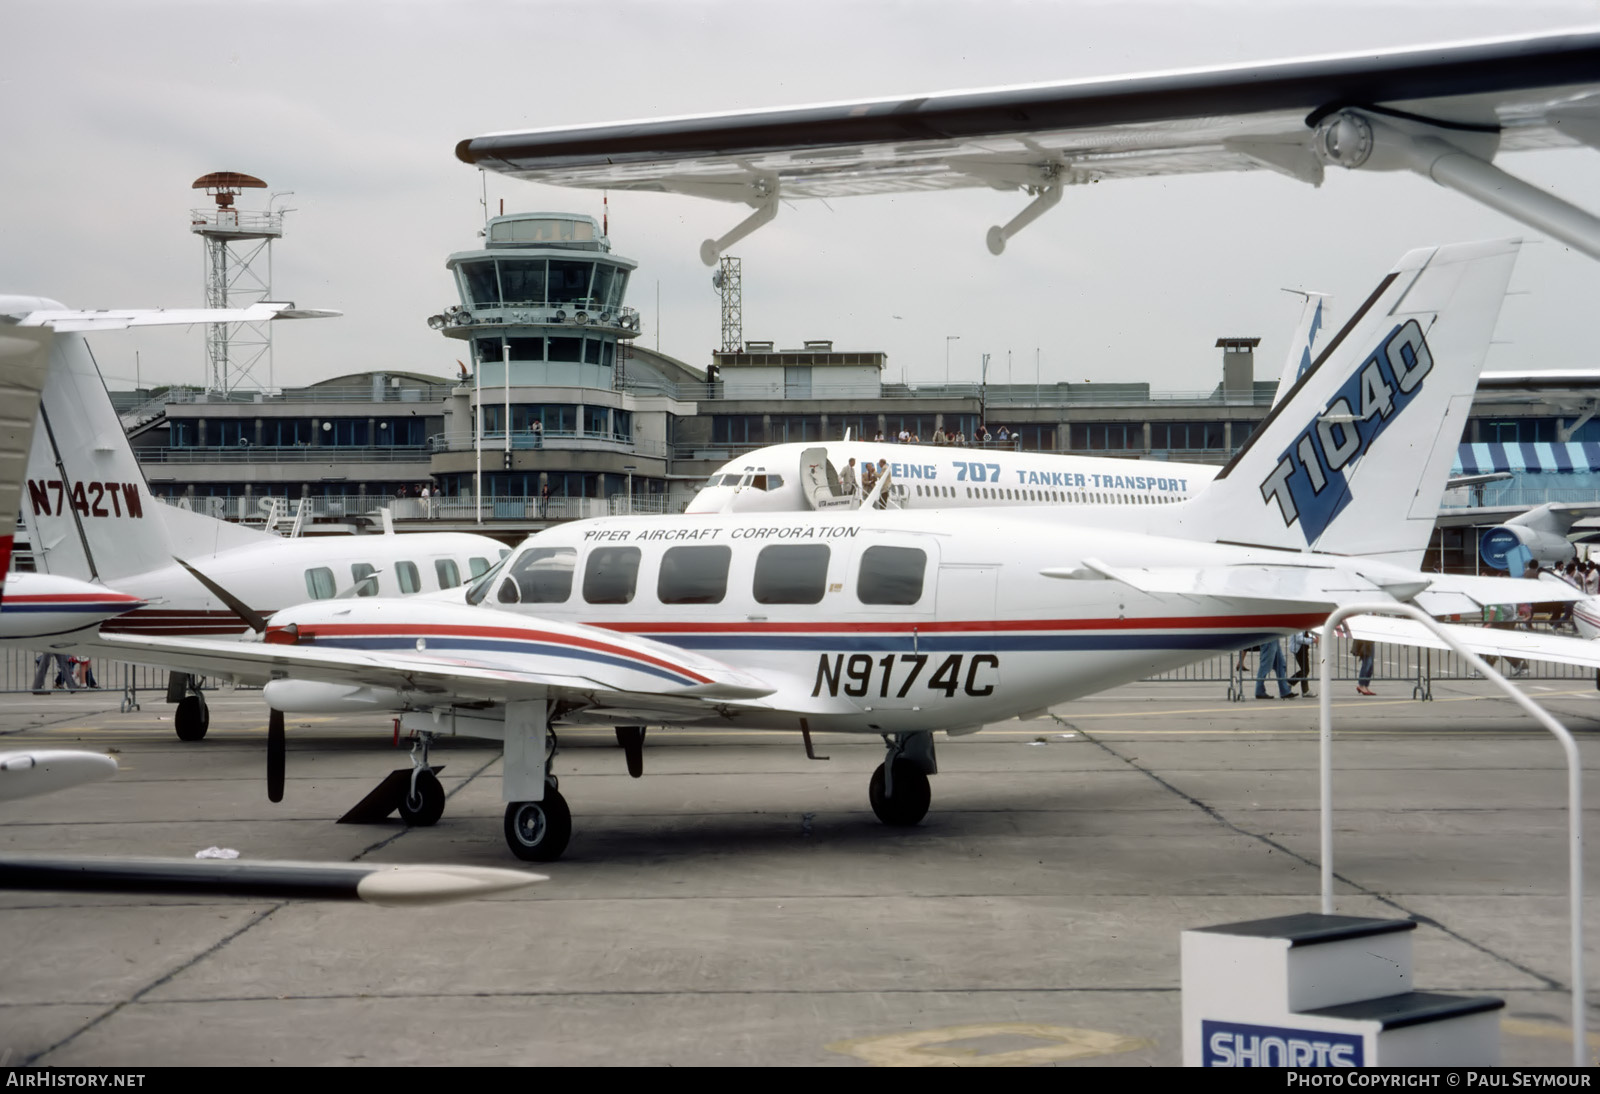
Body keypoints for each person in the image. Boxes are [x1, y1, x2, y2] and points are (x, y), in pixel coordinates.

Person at [1288, 631, 1316, 697]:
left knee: (1304, 670)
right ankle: (1289, 682)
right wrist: (1312, 640)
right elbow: (1299, 639)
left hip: (1302, 648)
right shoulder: (1300, 624)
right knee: (1305, 670)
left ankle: (1305, 690)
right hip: (1299, 649)